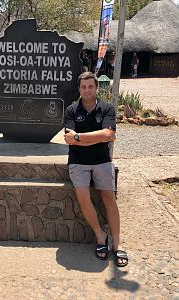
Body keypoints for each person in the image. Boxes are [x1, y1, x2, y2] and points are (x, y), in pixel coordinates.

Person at [64, 72, 128, 267]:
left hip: (102, 160)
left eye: (90, 86)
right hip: (78, 162)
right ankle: (101, 237)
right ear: (79, 89)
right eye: (83, 87)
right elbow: (69, 139)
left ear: (96, 88)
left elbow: (108, 134)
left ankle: (117, 244)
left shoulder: (107, 108)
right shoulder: (71, 110)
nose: (87, 90)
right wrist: (99, 136)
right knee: (83, 197)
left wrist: (79, 137)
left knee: (109, 197)